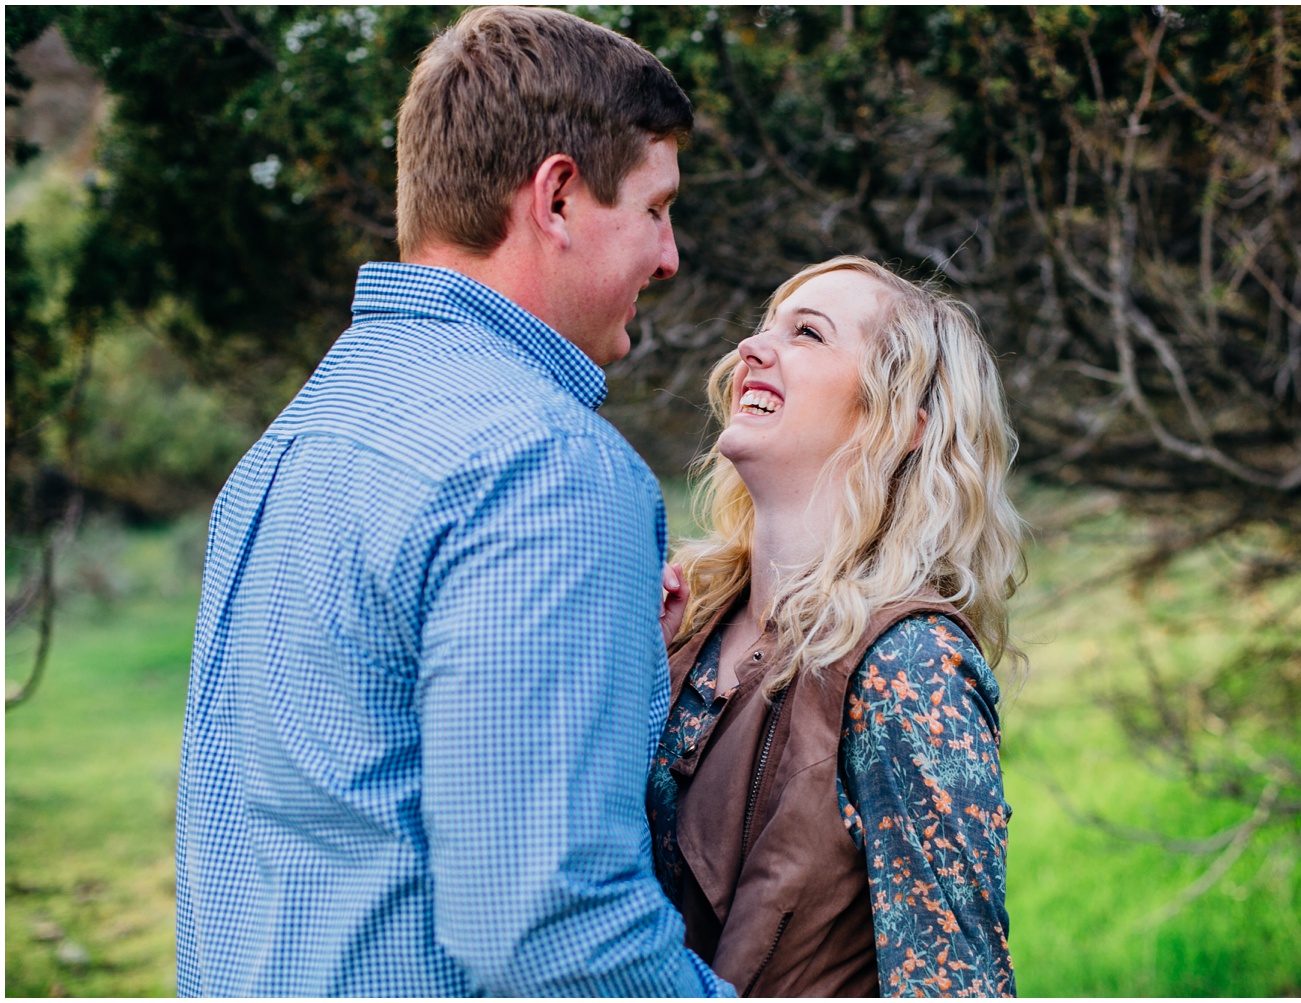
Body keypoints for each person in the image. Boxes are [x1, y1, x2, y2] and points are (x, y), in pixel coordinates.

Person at [175, 7, 733, 996]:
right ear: (558, 196)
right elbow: (555, 931)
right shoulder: (544, 465)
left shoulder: (290, 446)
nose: (669, 255)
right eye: (656, 208)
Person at [646, 256, 1025, 997]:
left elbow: (958, 986)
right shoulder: (683, 621)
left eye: (808, 334)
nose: (751, 349)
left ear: (903, 422)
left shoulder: (909, 662)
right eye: (762, 329)